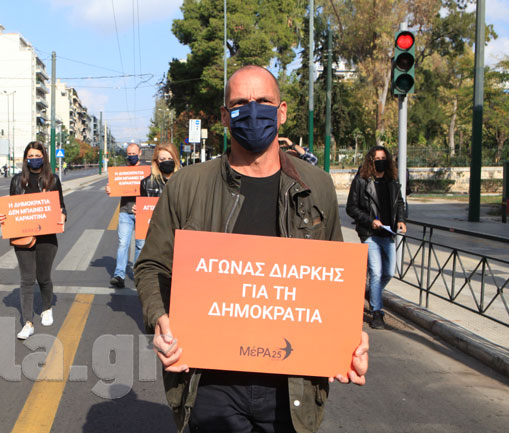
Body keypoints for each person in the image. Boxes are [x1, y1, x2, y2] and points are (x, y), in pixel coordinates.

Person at [135, 65, 369, 433]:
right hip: (210, 383)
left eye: (263, 101)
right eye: (241, 103)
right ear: (226, 116)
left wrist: (348, 338)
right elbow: (151, 266)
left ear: (282, 111)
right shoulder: (186, 186)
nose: (253, 110)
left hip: (291, 389)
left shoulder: (317, 187)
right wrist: (160, 319)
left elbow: (333, 283)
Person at [0, 142, 66, 339]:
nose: (34, 158)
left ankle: (46, 307)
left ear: (43, 157)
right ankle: (27, 322)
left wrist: (62, 215)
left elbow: (62, 206)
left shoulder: (53, 181)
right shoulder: (17, 181)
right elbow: (11, 209)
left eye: (37, 155)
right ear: (26, 159)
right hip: (23, 237)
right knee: (27, 280)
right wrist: (3, 217)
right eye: (30, 155)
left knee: (43, 278)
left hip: (47, 239)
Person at [346, 145, 407, 329]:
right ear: (370, 161)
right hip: (370, 233)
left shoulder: (392, 181)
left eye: (383, 158)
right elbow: (351, 207)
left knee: (389, 272)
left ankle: (372, 293)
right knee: (376, 272)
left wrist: (401, 220)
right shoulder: (362, 181)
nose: (380, 161)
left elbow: (400, 203)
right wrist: (370, 220)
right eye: (376, 159)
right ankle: (377, 313)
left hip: (388, 234)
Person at [105, 143, 145, 288]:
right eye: (129, 154)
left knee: (140, 245)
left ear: (140, 153)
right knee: (123, 244)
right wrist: (109, 189)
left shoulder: (146, 170)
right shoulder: (121, 172)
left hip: (142, 212)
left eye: (134, 153)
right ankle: (119, 275)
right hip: (124, 211)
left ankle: (138, 274)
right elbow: (113, 188)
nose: (131, 156)